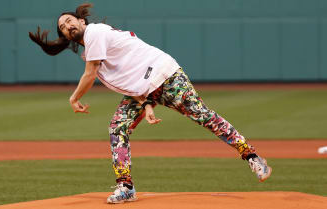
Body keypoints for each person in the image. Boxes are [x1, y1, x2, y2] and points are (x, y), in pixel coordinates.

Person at [29, 3, 272, 204]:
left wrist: (74, 98)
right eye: (62, 27)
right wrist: (146, 104)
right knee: (117, 127)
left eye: (70, 20)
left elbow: (89, 74)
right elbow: (127, 80)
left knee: (204, 117)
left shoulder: (96, 33)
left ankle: (252, 156)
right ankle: (126, 187)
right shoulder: (93, 52)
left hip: (167, 76)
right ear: (64, 35)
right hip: (146, 90)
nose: (67, 25)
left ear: (82, 22)